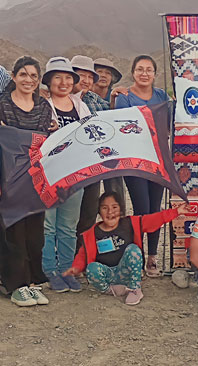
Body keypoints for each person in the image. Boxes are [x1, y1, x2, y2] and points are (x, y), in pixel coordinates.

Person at [0, 56, 55, 307]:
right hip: (9, 177)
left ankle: (31, 282)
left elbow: (41, 140)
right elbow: (1, 140)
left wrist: (20, 138)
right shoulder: (3, 104)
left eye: (33, 76)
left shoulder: (43, 107)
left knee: (34, 233)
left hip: (36, 178)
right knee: (13, 232)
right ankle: (15, 284)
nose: (28, 80)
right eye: (23, 74)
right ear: (14, 77)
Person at [64, 192, 193, 305]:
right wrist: (76, 267)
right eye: (104, 208)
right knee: (91, 269)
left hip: (126, 272)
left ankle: (135, 289)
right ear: (99, 211)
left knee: (133, 250)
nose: (110, 212)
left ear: (121, 209)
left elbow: (154, 219)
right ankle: (111, 290)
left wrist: (176, 212)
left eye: (114, 207)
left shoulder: (131, 223)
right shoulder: (92, 232)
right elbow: (83, 254)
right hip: (108, 274)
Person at [113, 55, 171, 278]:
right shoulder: (125, 97)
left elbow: (170, 123)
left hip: (158, 161)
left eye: (148, 69)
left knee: (155, 209)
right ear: (133, 72)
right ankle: (136, 255)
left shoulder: (162, 96)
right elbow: (121, 125)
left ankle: (153, 258)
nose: (144, 73)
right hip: (135, 162)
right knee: (141, 209)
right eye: (139, 69)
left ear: (155, 74)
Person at [41, 57, 91, 293]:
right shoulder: (43, 106)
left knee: (68, 225)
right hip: (49, 173)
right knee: (48, 224)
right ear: (49, 82)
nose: (63, 83)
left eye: (68, 78)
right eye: (57, 77)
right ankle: (50, 270)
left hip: (75, 172)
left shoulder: (81, 106)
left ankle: (67, 269)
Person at [70, 55, 111, 250]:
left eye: (89, 76)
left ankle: (81, 254)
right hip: (69, 166)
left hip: (92, 166)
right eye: (80, 75)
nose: (85, 80)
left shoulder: (99, 102)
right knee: (67, 216)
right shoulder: (60, 100)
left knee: (88, 212)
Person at [92, 57, 126, 206]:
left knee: (115, 188)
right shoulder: (82, 97)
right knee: (89, 194)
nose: (103, 75)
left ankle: (119, 221)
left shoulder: (118, 97)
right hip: (89, 149)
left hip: (111, 150)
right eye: (99, 71)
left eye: (107, 73)